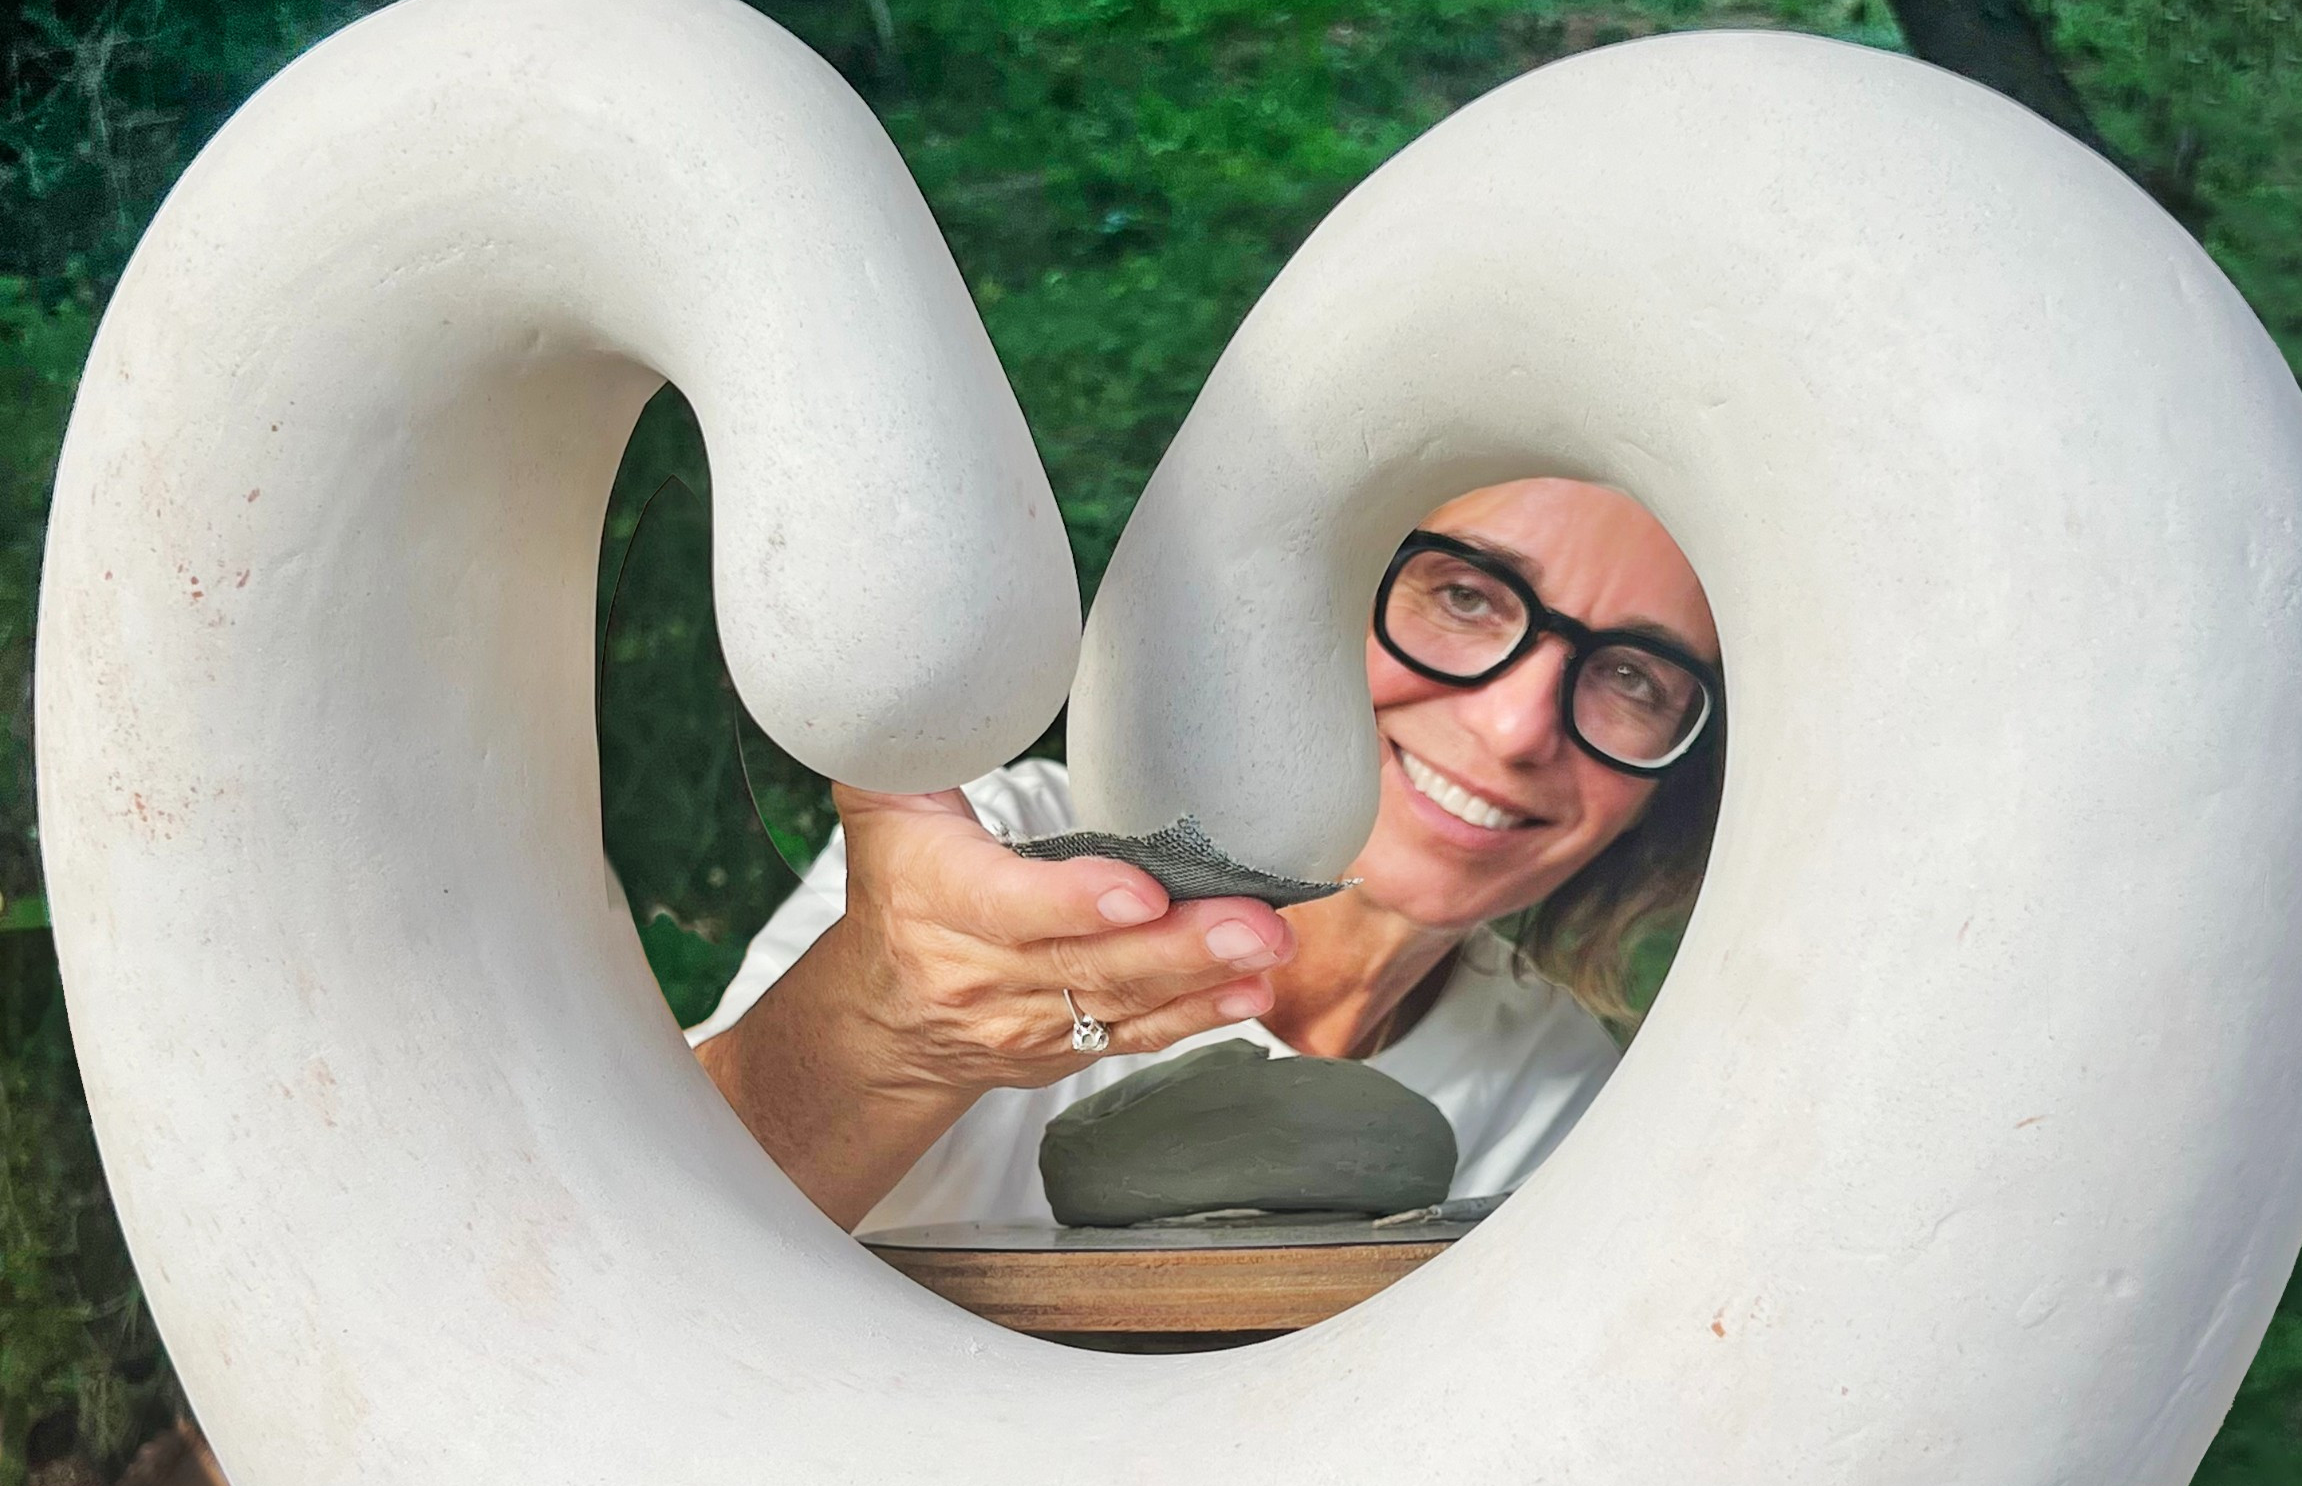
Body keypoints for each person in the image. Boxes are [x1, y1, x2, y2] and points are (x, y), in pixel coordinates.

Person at [691, 478, 1722, 1233]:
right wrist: (886, 1028)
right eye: (1466, 596)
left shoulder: (1558, 1087)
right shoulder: (1005, 851)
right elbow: (637, 1235)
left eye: (1634, 677)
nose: (1514, 728)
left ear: (1663, 793)